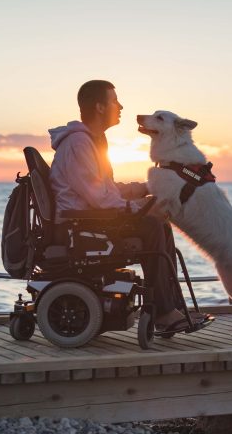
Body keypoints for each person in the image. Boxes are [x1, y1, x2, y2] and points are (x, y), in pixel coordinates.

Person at [49, 79, 204, 332]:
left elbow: (105, 188)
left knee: (159, 224)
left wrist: (145, 187)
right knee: (152, 225)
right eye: (114, 101)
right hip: (78, 226)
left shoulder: (90, 141)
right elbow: (99, 198)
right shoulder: (79, 143)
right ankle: (164, 312)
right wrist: (140, 207)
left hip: (90, 219)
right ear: (100, 107)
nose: (120, 106)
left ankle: (171, 307)